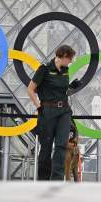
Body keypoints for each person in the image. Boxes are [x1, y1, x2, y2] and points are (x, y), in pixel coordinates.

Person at [27, 45, 76, 181]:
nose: (70, 62)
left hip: (64, 111)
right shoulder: (44, 69)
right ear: (63, 56)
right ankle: (43, 180)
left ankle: (57, 179)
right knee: (46, 147)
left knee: (61, 144)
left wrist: (71, 88)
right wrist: (39, 107)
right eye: (70, 58)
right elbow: (30, 89)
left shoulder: (66, 70)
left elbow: (62, 90)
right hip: (47, 111)